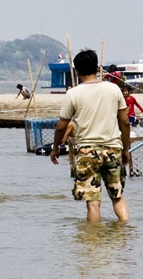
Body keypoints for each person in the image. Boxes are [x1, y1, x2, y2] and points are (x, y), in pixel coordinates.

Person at [51, 49, 131, 224]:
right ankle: (125, 230)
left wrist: (55, 148)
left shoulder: (73, 94)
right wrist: (126, 149)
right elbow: (125, 122)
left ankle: (92, 240)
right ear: (97, 68)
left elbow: (61, 126)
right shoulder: (113, 89)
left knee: (93, 203)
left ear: (77, 71)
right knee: (117, 196)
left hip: (87, 151)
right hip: (113, 148)